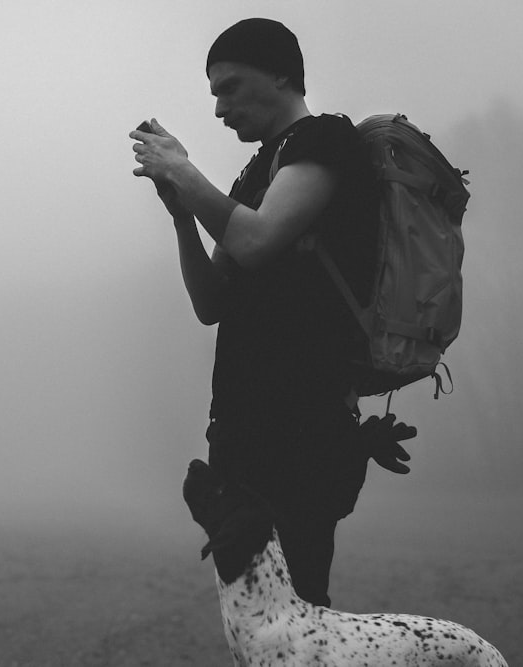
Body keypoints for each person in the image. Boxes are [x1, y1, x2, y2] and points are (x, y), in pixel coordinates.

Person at [129, 18, 412, 607]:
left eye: (229, 87)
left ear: (281, 73)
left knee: (298, 622)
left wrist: (183, 168)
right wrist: (182, 212)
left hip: (302, 437)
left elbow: (257, 240)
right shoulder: (256, 172)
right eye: (214, 94)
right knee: (253, 627)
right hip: (242, 437)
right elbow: (211, 303)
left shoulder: (324, 140)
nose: (218, 108)